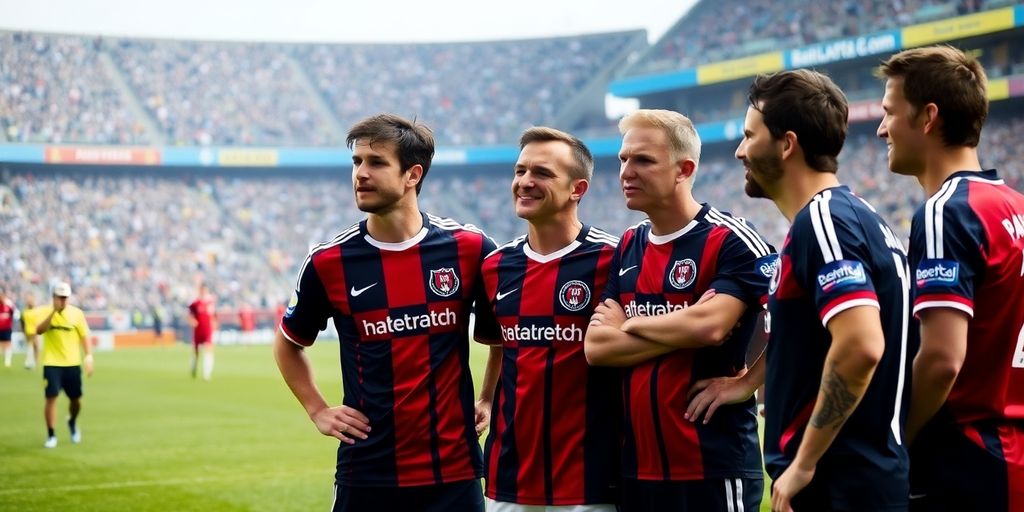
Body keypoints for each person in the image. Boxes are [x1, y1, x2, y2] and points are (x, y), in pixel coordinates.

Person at [691, 69, 914, 511]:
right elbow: (814, 335)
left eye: (749, 136)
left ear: (787, 144)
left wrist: (805, 462)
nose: (738, 151)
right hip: (857, 478)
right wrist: (746, 383)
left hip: (842, 482)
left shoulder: (825, 221)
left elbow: (860, 345)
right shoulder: (847, 217)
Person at [274, 114, 499, 512]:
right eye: (357, 162)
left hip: (454, 469)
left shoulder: (469, 248)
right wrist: (317, 409)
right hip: (368, 469)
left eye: (376, 163)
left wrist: (488, 398)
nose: (361, 173)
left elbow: (501, 335)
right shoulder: (329, 261)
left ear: (413, 174)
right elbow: (289, 343)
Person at [583, 109, 775, 511]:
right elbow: (598, 347)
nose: (625, 172)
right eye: (623, 160)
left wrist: (745, 384)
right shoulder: (630, 244)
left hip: (714, 465)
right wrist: (684, 325)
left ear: (683, 169)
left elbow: (787, 321)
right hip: (637, 468)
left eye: (643, 161)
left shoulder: (731, 238)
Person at [877, 45, 1024, 511]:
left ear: (928, 118)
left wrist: (894, 441)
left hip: (966, 463)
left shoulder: (947, 212)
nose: (881, 128)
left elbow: (941, 358)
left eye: (888, 112)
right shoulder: (1015, 206)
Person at [475, 127, 621, 511]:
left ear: (578, 189)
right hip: (509, 474)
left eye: (541, 172)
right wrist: (487, 400)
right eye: (520, 170)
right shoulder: (495, 266)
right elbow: (501, 345)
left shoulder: (616, 259)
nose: (525, 181)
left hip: (592, 476)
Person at [37, 281, 93, 448]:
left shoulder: (77, 314)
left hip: (72, 364)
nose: (63, 301)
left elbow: (85, 336)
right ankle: (51, 434)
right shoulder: (45, 312)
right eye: (59, 298)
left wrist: (89, 356)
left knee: (76, 401)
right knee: (51, 398)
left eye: (65, 298)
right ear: (53, 297)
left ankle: (72, 421)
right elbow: (39, 330)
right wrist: (53, 312)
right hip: (52, 363)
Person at [187, 282, 216, 380]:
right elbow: (189, 315)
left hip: (207, 330)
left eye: (205, 290)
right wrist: (192, 321)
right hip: (198, 330)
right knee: (196, 351)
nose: (204, 291)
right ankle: (194, 367)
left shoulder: (210, 301)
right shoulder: (195, 303)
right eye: (202, 290)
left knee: (209, 349)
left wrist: (214, 324)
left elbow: (213, 315)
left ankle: (206, 373)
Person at [20, 291, 43, 370]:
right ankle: (29, 362)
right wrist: (23, 331)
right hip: (28, 332)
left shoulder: (37, 310)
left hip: (35, 332)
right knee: (30, 347)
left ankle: (35, 363)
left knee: (36, 347)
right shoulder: (24, 312)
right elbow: (22, 322)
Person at [0, 287, 16, 368]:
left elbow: (13, 314)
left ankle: (7, 361)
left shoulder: (9, 305)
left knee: (7, 344)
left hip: (6, 328)